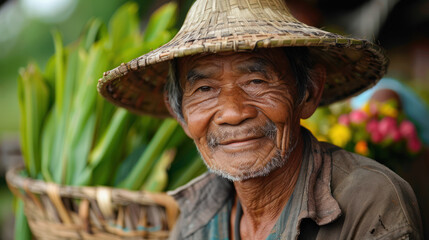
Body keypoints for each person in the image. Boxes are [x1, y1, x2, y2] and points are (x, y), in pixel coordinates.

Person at [98, 0, 423, 239]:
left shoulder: (368, 199)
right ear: (181, 115)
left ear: (308, 93)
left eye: (256, 81)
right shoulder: (192, 219)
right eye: (205, 88)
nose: (233, 112)